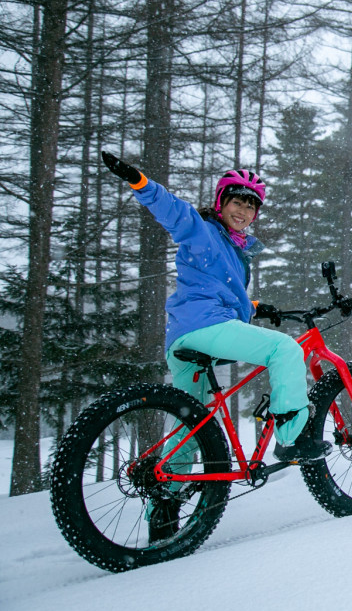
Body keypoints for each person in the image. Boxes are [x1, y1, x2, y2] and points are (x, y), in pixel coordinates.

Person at [101, 151, 329, 469]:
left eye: (251, 206)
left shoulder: (234, 250)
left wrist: (253, 307)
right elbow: (175, 211)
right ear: (221, 202)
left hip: (183, 336)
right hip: (205, 326)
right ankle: (294, 438)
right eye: (237, 202)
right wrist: (140, 182)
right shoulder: (204, 231)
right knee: (285, 349)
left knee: (191, 424)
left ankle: (166, 502)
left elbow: (215, 290)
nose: (244, 210)